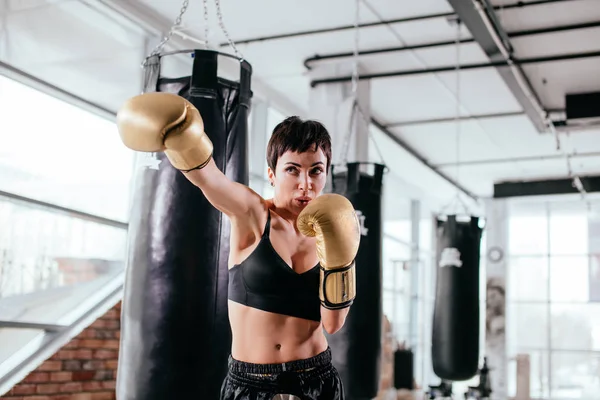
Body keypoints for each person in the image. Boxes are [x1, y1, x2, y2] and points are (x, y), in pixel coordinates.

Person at [116, 92, 361, 400]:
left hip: (316, 379)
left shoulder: (332, 228)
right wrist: (183, 139)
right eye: (292, 169)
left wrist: (342, 260)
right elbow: (211, 180)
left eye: (316, 170)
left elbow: (333, 324)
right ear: (272, 174)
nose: (305, 184)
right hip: (251, 382)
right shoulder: (253, 214)